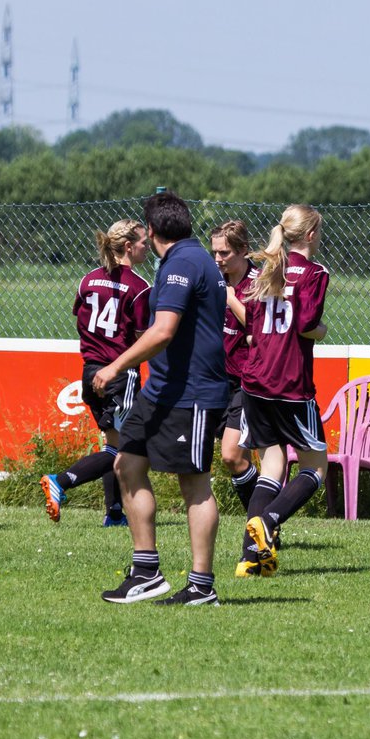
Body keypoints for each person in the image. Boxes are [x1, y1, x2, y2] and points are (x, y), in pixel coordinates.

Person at [95, 192, 229, 605]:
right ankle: (147, 571)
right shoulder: (182, 260)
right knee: (127, 463)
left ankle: (201, 586)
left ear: (151, 230)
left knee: (194, 484)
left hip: (192, 394)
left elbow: (164, 330)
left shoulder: (185, 263)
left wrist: (115, 366)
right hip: (162, 390)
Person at [240, 205, 332, 576]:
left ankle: (250, 558)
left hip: (255, 380)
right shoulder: (314, 272)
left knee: (272, 464)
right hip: (290, 383)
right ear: (310, 235)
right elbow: (308, 322)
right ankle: (269, 520)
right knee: (315, 466)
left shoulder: (266, 270)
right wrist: (322, 331)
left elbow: (253, 324)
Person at [40, 219, 151, 527]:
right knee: (124, 447)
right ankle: (60, 481)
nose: (147, 247)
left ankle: (115, 513)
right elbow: (143, 338)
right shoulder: (140, 288)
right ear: (128, 247)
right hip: (120, 373)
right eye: (143, 242)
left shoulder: (88, 280)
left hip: (90, 372)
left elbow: (81, 318)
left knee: (112, 442)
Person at [210, 220, 260, 512]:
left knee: (232, 455)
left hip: (248, 380)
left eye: (225, 253)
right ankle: (262, 521)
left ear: (243, 250)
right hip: (217, 379)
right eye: (215, 252)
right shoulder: (216, 279)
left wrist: (230, 299)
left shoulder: (259, 282)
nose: (218, 259)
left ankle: (262, 519)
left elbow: (260, 330)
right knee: (223, 457)